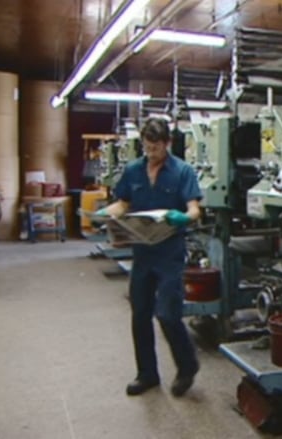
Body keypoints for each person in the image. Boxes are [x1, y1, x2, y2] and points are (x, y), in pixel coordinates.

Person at [96, 118, 202, 397]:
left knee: (168, 314)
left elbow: (194, 209)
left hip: (170, 252)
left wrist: (183, 217)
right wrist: (104, 214)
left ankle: (187, 365)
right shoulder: (133, 170)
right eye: (146, 147)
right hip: (142, 251)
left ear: (167, 144)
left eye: (155, 147)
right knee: (140, 314)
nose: (150, 153)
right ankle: (147, 374)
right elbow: (123, 203)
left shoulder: (182, 171)